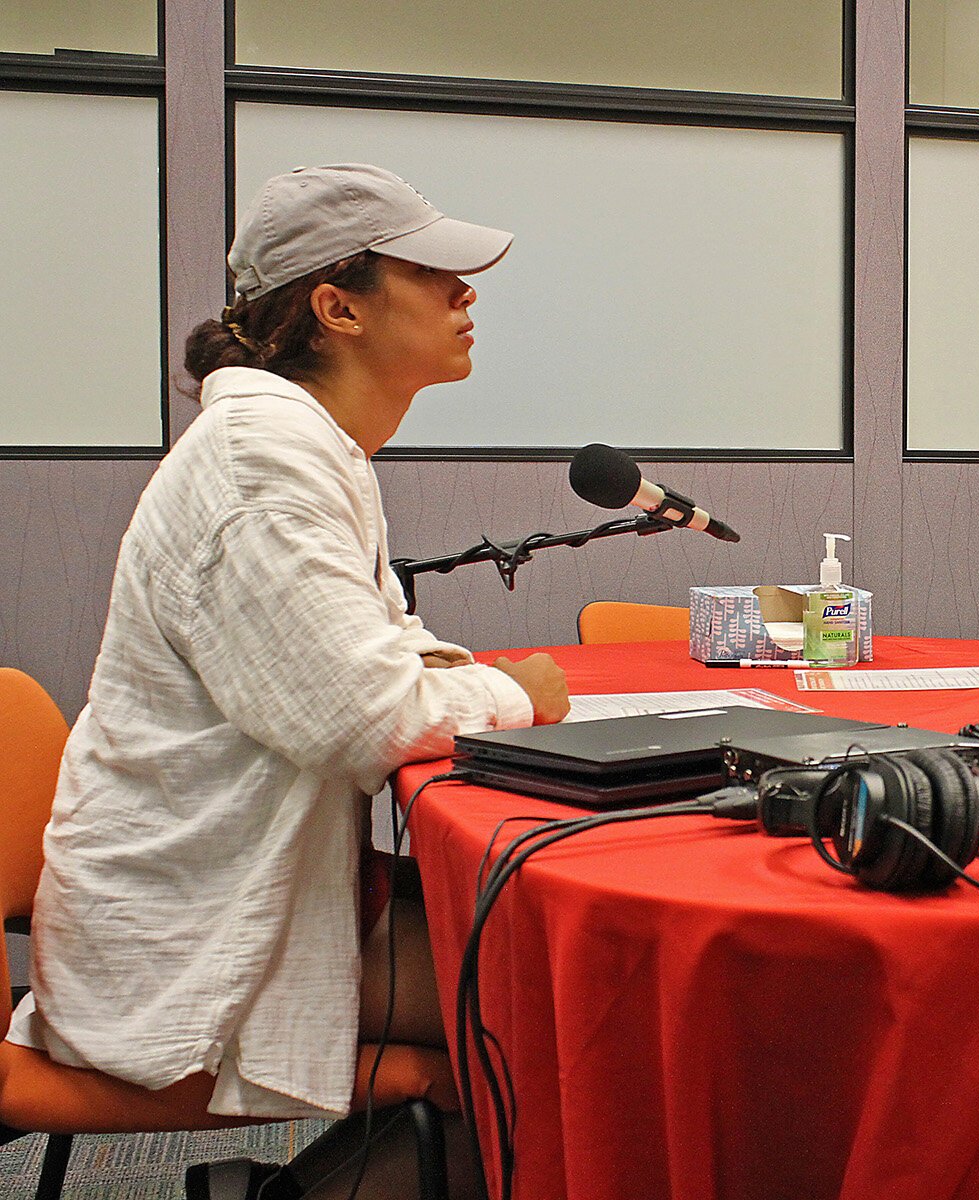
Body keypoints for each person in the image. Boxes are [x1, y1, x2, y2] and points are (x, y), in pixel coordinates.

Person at [5, 163, 570, 1196]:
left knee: (553, 976)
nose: (466, 293)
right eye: (436, 272)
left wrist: (465, 675)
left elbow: (378, 653)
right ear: (336, 306)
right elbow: (366, 720)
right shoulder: (261, 468)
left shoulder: (308, 451)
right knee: (561, 1020)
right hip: (183, 942)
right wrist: (518, 692)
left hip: (235, 900)